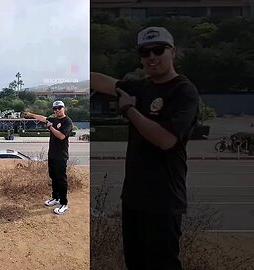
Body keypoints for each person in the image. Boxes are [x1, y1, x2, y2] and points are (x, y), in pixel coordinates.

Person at [90, 26, 200, 269]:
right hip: (134, 198)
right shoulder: (141, 87)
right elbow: (104, 82)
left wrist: (130, 110)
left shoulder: (184, 91)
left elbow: (166, 140)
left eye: (158, 50)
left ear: (173, 52)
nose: (151, 57)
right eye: (145, 52)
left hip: (163, 201)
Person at [24, 100, 73, 215]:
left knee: (61, 180)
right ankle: (55, 198)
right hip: (52, 155)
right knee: (53, 177)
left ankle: (63, 203)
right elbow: (43, 118)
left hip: (61, 156)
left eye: (59, 108)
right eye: (55, 109)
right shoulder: (54, 119)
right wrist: (31, 115)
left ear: (64, 108)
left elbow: (61, 136)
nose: (57, 110)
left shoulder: (67, 121)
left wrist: (50, 127)